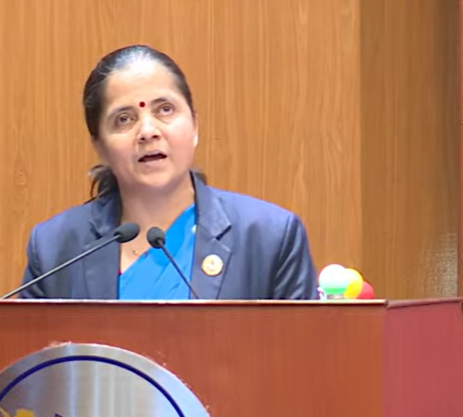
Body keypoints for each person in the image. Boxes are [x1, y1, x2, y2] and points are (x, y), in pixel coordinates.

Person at [18, 44, 318, 300]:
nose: (148, 131)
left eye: (165, 110)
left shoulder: (269, 237)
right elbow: (35, 352)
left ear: (195, 126)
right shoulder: (56, 249)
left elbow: (298, 349)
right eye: (124, 119)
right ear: (100, 146)